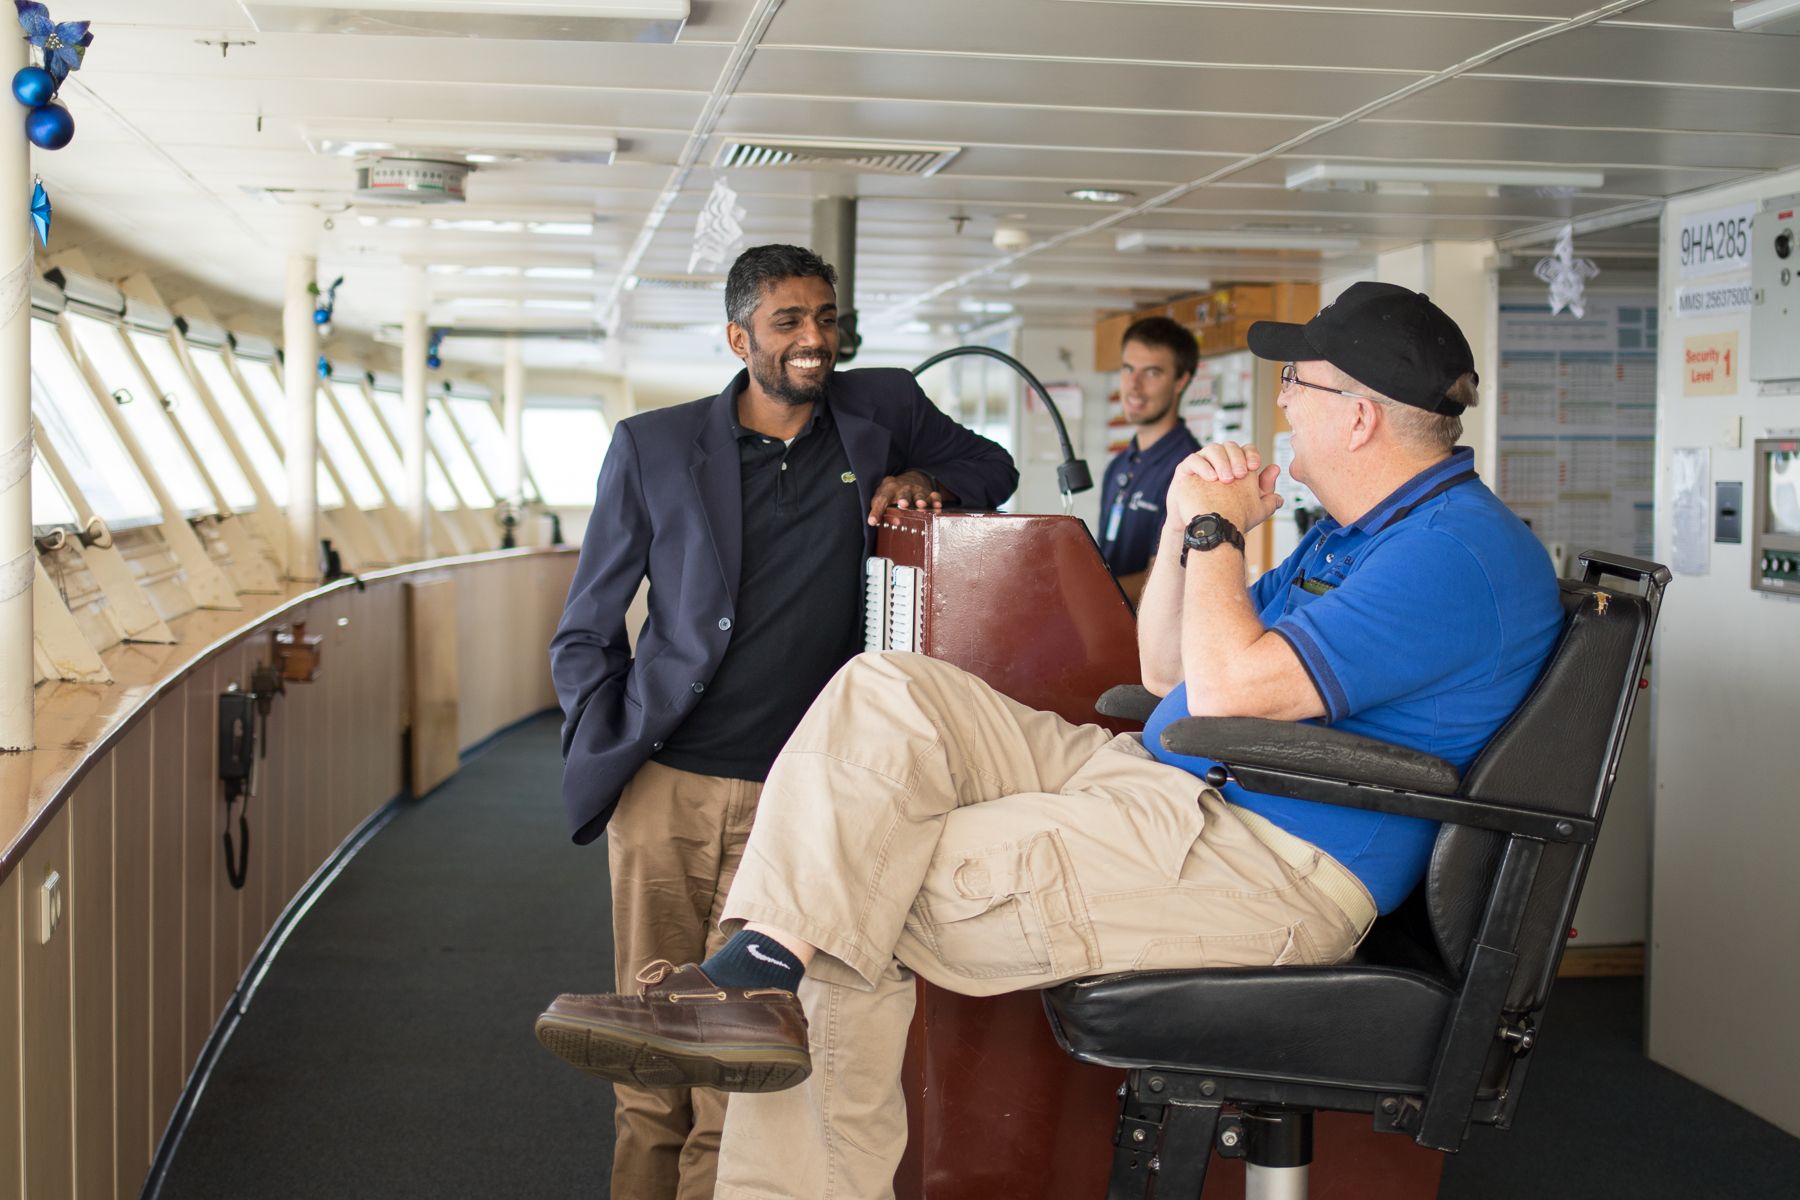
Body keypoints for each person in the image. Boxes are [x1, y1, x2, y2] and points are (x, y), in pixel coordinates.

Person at [536, 281, 1564, 1200]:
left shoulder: (1452, 555)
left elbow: (1237, 681)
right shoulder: (1369, 531)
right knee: (886, 692)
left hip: (1255, 858)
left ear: (1360, 416)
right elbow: (1167, 669)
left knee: (853, 885)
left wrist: (1215, 531)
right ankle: (759, 964)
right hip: (1168, 783)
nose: (1281, 403)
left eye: (1295, 384)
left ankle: (767, 990)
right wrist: (1185, 530)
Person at [545, 243, 1018, 1200]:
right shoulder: (654, 445)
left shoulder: (879, 411)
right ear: (739, 337)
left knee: (736, 1071)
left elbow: (992, 466)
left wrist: (917, 482)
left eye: (826, 319)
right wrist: (608, 744)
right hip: (666, 787)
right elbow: (587, 626)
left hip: (799, 808)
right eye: (789, 323)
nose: (814, 341)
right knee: (650, 1064)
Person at [1098, 315, 1202, 601]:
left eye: (1152, 373)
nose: (1134, 385)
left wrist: (1082, 594)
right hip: (1106, 631)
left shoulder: (1189, 470)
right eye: (1128, 369)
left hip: (1151, 640)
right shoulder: (1119, 465)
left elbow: (1165, 580)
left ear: (1181, 380)